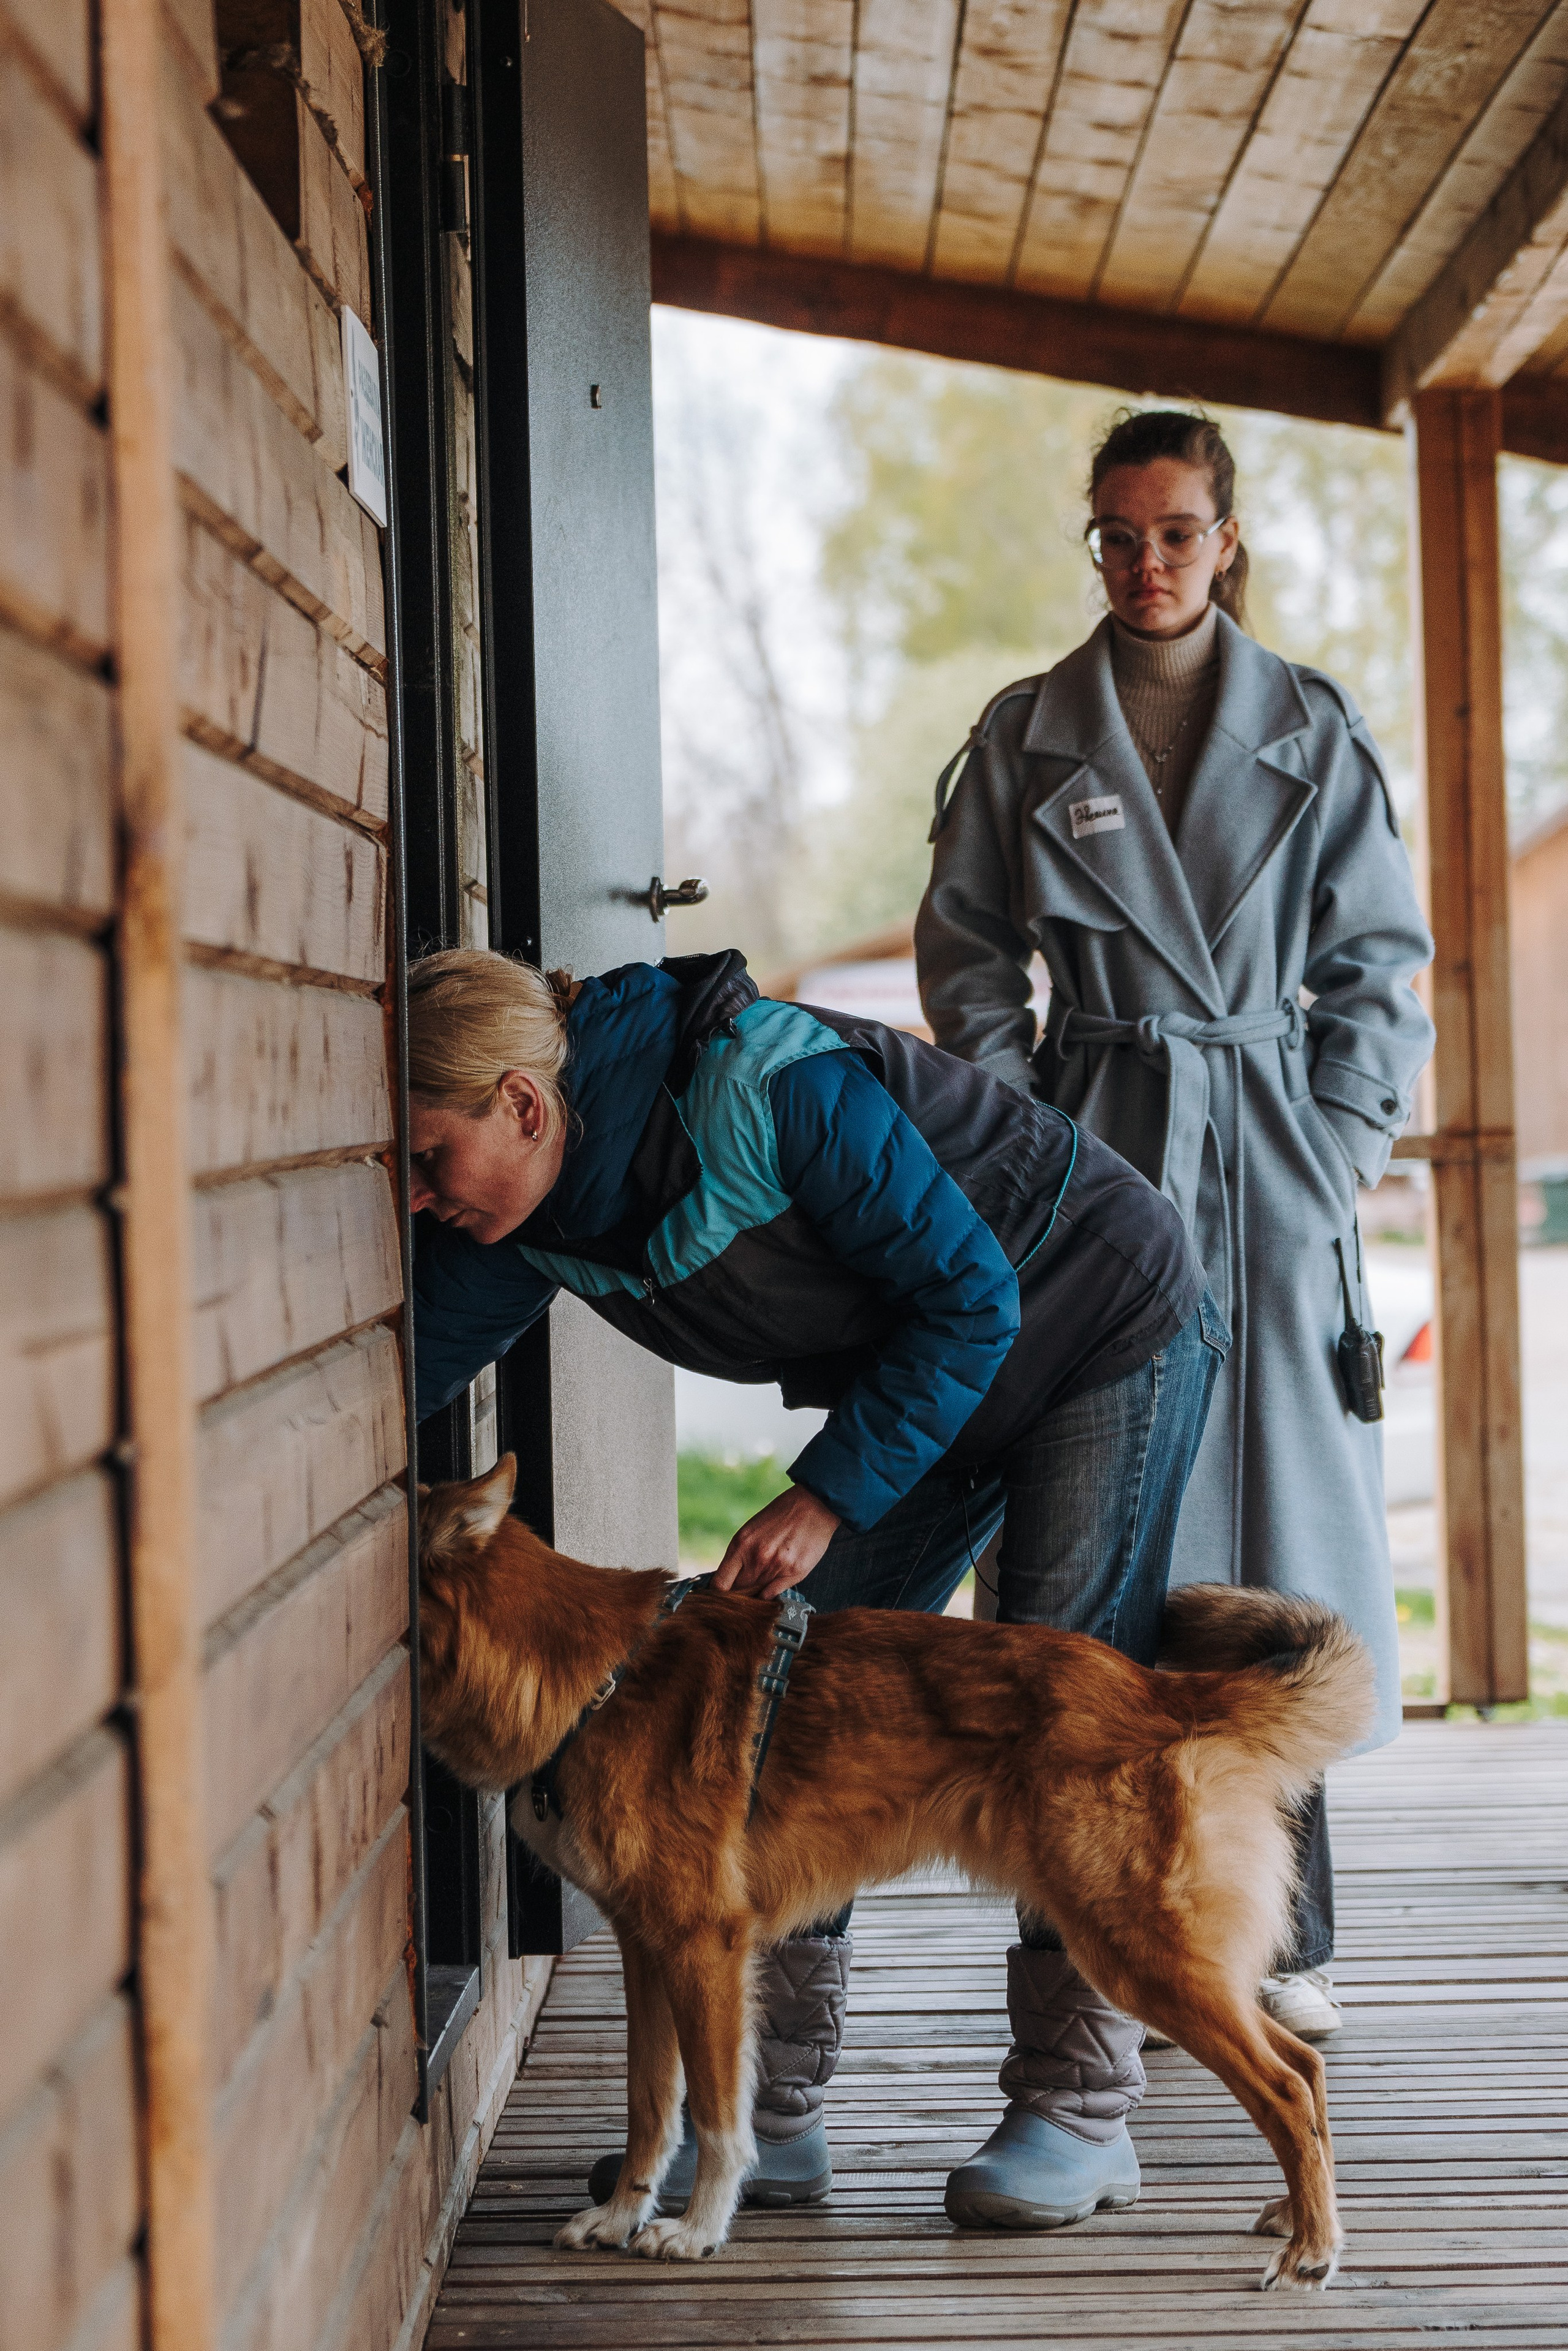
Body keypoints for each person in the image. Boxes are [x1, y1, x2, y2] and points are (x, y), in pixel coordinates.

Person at [409, 942, 1229, 2231]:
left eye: (424, 1157)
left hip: (1089, 1317)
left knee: (1063, 1709)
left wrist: (827, 1493)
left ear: (519, 1102)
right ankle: (769, 2115)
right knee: (792, 1703)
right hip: (928, 1381)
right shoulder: (522, 1213)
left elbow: (971, 1298)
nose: (415, 1197)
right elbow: (390, 1379)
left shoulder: (761, 1083)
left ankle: (1076, 2109)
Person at [916, 406, 1436, 2051]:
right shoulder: (1023, 735)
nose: (1149, 564)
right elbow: (968, 960)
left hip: (1271, 1168)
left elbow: (1378, 968)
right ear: (1096, 542)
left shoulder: (1316, 728)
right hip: (1099, 1154)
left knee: (1279, 1555)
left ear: (1230, 539)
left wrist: (1333, 1144)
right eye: (1120, 535)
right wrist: (1027, 1139)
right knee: (1099, 1538)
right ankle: (1096, 1950)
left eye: (1180, 531)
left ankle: (1292, 1939)